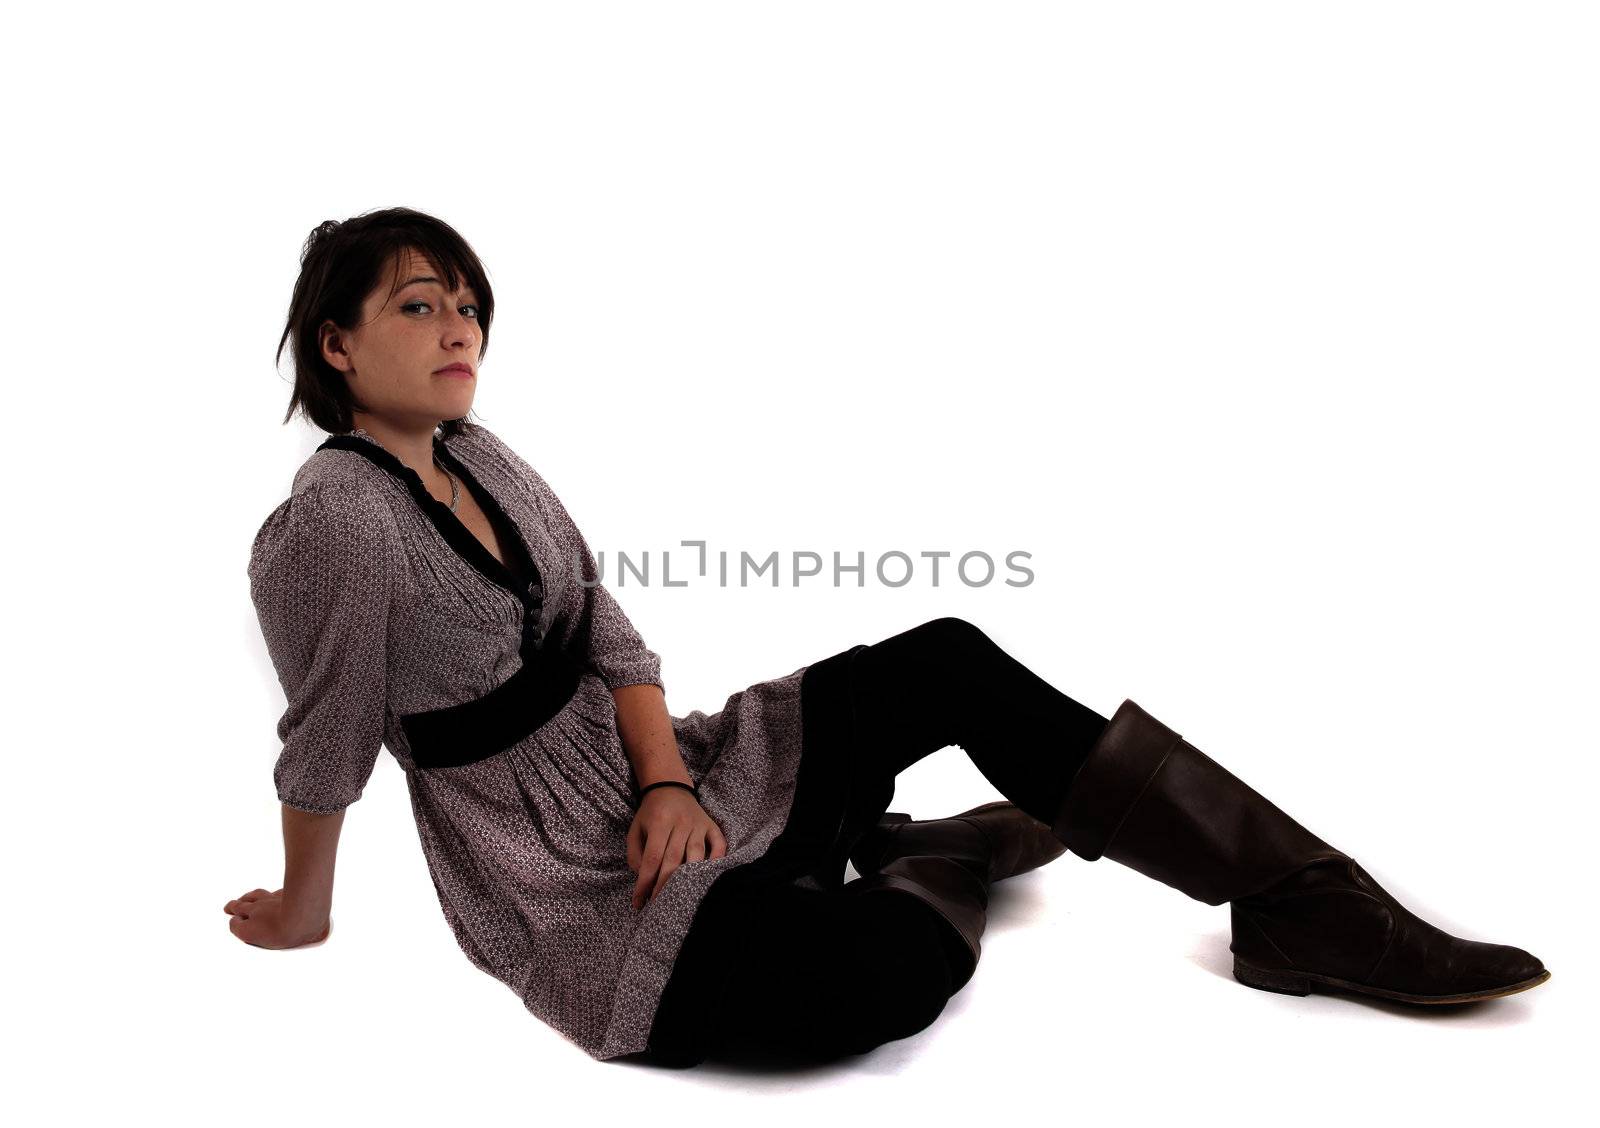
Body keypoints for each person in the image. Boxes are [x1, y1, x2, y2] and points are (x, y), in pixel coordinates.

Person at [225, 206, 1550, 1068]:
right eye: (416, 305)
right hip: (565, 884)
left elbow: (610, 633)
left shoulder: (480, 452)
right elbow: (330, 730)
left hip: (668, 785)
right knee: (867, 988)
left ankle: (1309, 906)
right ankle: (933, 859)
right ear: (335, 347)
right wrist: (305, 907)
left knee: (949, 653)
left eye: (466, 302)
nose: (457, 323)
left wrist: (676, 782)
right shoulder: (336, 518)